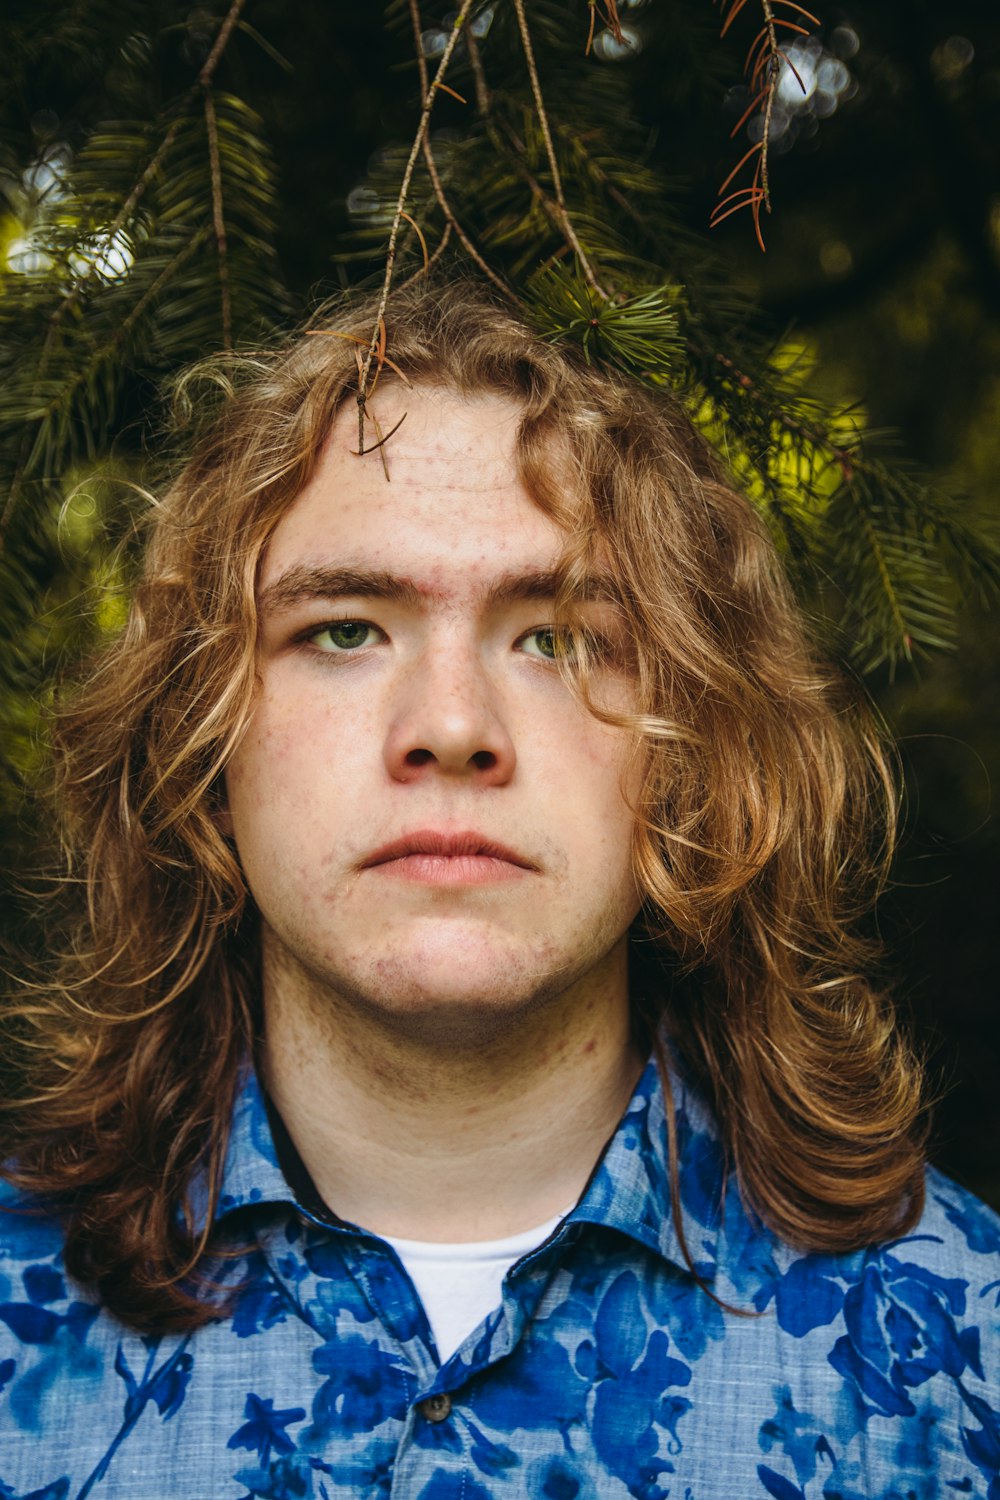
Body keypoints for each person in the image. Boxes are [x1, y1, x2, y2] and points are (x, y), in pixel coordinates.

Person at [1, 277, 997, 1500]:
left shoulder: (961, 1356)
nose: (454, 728)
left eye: (558, 637)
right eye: (346, 629)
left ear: (691, 753)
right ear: (203, 745)